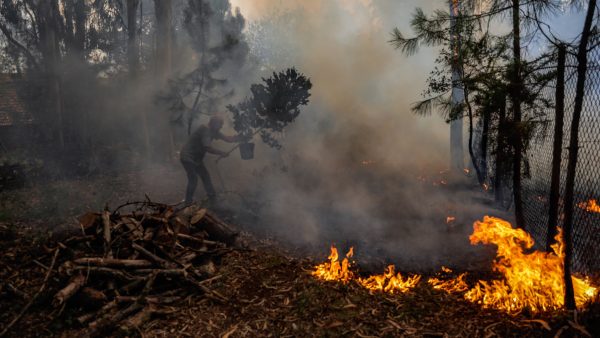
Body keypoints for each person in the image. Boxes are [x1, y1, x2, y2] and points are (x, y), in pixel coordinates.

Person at [180, 116, 244, 204]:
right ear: (214, 124)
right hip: (188, 157)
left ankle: (213, 198)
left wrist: (240, 138)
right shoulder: (206, 131)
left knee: (206, 177)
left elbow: (228, 139)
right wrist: (221, 153)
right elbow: (207, 148)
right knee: (193, 179)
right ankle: (188, 202)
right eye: (220, 125)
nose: (221, 127)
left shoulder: (214, 131)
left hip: (196, 159)